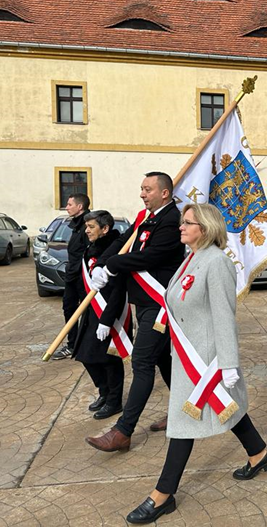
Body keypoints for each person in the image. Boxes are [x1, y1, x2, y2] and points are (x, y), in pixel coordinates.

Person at [126, 204, 267, 524]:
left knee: (183, 422)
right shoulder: (190, 258)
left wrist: (229, 364)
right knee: (227, 406)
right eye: (182, 222)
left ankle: (162, 495)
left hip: (206, 361)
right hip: (186, 355)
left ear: (204, 229)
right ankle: (260, 454)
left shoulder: (217, 262)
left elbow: (224, 315)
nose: (181, 226)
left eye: (188, 223)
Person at [85, 172, 184, 452]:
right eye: (141, 188)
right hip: (143, 303)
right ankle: (182, 409)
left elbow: (154, 255)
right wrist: (101, 265)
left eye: (147, 189)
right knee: (163, 359)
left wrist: (114, 265)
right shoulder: (145, 217)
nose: (142, 194)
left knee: (142, 363)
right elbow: (123, 241)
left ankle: (123, 431)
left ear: (164, 193)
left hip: (160, 305)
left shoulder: (171, 220)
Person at [73, 210, 128, 420]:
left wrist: (106, 320)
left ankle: (114, 401)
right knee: (86, 354)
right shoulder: (93, 247)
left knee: (108, 359)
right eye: (86, 227)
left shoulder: (116, 250)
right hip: (91, 309)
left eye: (91, 227)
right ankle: (104, 392)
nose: (87, 231)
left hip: (108, 311)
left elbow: (118, 289)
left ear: (105, 229)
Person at [52, 193, 90, 360]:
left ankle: (86, 344)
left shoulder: (89, 224)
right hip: (72, 276)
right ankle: (72, 344)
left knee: (88, 311)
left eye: (69, 204)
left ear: (79, 207)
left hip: (84, 276)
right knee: (69, 308)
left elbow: (88, 252)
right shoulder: (74, 225)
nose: (66, 207)